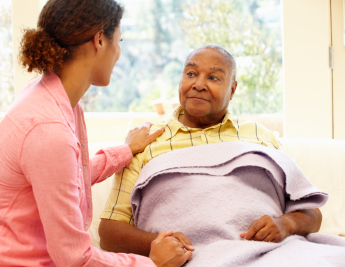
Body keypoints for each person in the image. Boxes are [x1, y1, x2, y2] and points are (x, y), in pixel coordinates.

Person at [0, 0, 193, 266]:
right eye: (120, 40)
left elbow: (67, 178)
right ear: (100, 40)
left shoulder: (54, 98)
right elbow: (75, 259)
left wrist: (125, 151)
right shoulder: (48, 129)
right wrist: (152, 263)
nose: (119, 53)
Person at [99, 44, 323, 256]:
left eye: (213, 77)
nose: (198, 84)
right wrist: (159, 243)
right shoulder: (145, 142)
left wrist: (286, 224)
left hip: (266, 254)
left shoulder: (259, 135)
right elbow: (109, 232)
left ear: (232, 89)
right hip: (184, 259)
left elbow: (311, 213)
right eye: (191, 74)